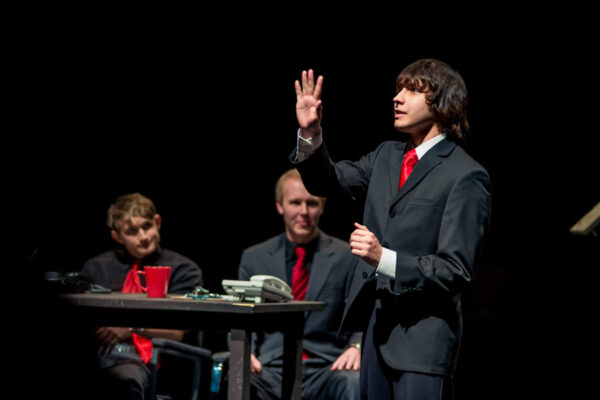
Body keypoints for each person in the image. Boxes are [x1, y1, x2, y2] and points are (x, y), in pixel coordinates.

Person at [291, 60, 492, 400]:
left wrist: (384, 258)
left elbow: (456, 270)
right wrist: (310, 134)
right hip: (376, 334)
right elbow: (330, 181)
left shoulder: (465, 175)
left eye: (412, 90)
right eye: (399, 89)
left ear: (442, 102)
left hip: (422, 346)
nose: (397, 98)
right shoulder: (387, 156)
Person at [238, 168, 361, 400]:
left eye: (312, 203)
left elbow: (361, 313)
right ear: (280, 206)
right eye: (295, 202)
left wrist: (356, 347)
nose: (304, 212)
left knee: (353, 381)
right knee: (238, 374)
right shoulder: (255, 257)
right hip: (271, 366)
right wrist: (246, 353)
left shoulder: (347, 256)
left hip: (326, 366)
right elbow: (242, 315)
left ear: (322, 207)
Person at [81, 192, 203, 400]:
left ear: (158, 222)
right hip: (101, 354)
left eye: (147, 226)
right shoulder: (96, 268)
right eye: (132, 231)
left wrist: (130, 328)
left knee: (124, 380)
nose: (144, 236)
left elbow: (177, 333)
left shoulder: (183, 269)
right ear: (117, 236)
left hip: (155, 361)